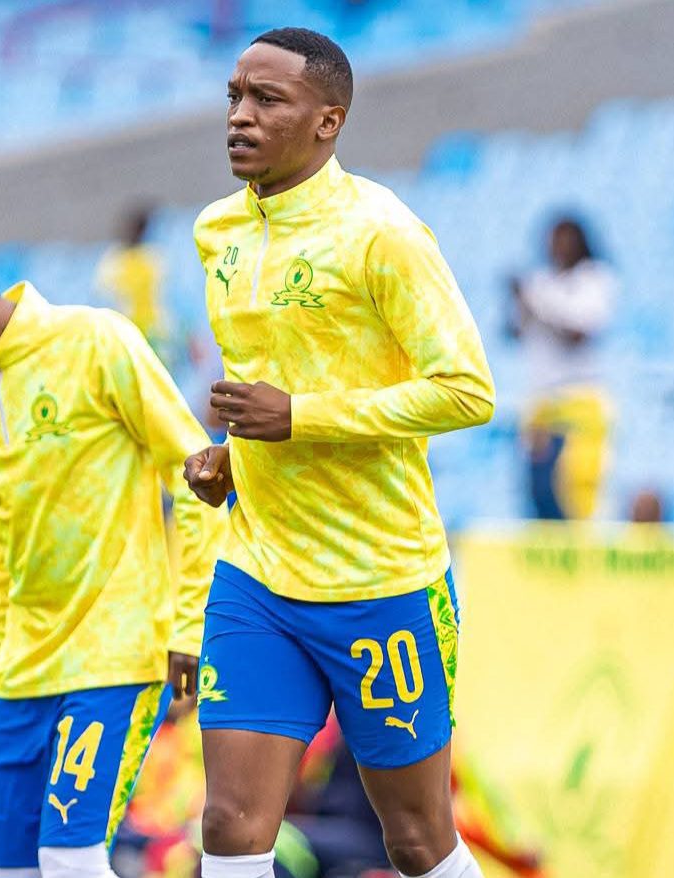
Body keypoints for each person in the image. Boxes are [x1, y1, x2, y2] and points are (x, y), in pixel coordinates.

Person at [181, 28, 495, 878]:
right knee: (231, 823)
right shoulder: (217, 233)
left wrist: (301, 418)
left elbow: (468, 390)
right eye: (234, 97)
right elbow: (263, 395)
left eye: (267, 101)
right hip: (260, 574)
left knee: (418, 840)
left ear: (329, 122)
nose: (239, 118)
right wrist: (228, 458)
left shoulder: (382, 233)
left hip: (379, 580)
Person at [0, 240, 224, 878]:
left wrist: (191, 625)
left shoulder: (96, 342)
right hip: (20, 671)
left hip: (112, 655)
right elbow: (9, 559)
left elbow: (199, 479)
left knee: (69, 861)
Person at [508, 216, 617, 520]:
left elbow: (578, 334)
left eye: (565, 238)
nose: (558, 246)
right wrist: (519, 302)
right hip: (542, 400)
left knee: (576, 493)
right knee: (539, 489)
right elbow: (514, 332)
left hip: (579, 398)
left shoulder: (594, 279)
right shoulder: (541, 282)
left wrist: (537, 303)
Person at [95, 204, 171, 359]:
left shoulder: (150, 257)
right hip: (128, 330)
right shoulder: (117, 260)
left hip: (151, 331)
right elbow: (105, 297)